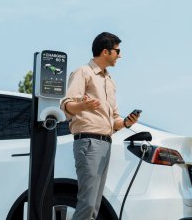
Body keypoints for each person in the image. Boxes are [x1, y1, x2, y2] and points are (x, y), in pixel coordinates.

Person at [60, 32, 140, 220]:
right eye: (117, 51)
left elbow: (114, 121)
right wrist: (83, 106)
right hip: (88, 142)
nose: (120, 55)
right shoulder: (83, 72)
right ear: (106, 51)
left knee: (94, 205)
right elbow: (66, 105)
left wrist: (127, 122)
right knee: (87, 203)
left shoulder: (110, 81)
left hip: (105, 143)